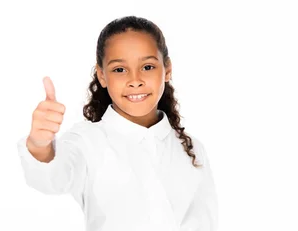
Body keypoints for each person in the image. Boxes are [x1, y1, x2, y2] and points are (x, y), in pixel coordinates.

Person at [16, 16, 217, 231]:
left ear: (167, 70)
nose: (135, 79)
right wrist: (40, 145)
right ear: (102, 76)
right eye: (119, 70)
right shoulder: (86, 141)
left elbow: (206, 221)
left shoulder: (192, 150)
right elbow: (53, 179)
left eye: (148, 67)